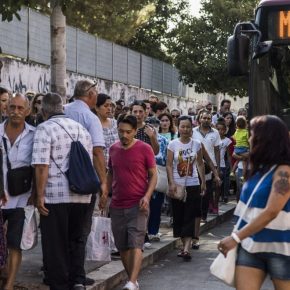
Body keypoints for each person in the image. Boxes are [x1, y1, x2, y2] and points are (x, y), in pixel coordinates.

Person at [218, 115, 290, 290]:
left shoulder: (284, 171)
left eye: (253, 134)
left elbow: (272, 211)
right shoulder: (256, 169)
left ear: (266, 139)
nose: (249, 138)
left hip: (281, 247)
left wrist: (235, 237)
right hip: (250, 245)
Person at [33, 93, 93, 290]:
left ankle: (59, 284)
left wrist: (39, 195)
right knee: (76, 240)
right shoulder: (82, 129)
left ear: (44, 111)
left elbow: (42, 166)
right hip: (82, 195)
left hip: (55, 195)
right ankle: (77, 280)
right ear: (62, 108)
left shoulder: (44, 128)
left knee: (55, 243)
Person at [64, 80, 107, 287]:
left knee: (59, 230)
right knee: (80, 231)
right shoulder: (91, 118)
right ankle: (77, 276)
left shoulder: (61, 111)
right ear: (89, 94)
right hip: (83, 182)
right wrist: (103, 183)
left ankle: (57, 271)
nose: (97, 95)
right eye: (96, 92)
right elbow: (98, 152)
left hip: (57, 181)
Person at [108, 114, 157, 290]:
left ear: (135, 131)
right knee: (122, 246)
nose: (124, 135)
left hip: (138, 204)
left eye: (128, 132)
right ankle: (133, 281)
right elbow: (110, 173)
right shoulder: (113, 149)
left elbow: (153, 175)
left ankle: (131, 282)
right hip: (117, 205)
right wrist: (104, 194)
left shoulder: (144, 149)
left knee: (136, 243)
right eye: (121, 131)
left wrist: (147, 196)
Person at [0, 93, 35, 290]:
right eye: (12, 107)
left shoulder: (34, 134)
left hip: (21, 200)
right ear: (6, 109)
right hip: (0, 196)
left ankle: (10, 285)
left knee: (15, 244)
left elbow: (38, 167)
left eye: (20, 108)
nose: (15, 112)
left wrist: (36, 194)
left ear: (28, 111)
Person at [167, 115, 206, 260]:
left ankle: (186, 248)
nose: (185, 129)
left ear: (192, 128)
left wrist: (203, 181)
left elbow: (200, 163)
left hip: (193, 184)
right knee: (179, 215)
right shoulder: (173, 144)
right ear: (178, 127)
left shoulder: (197, 144)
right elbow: (169, 164)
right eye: (182, 126)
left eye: (188, 127)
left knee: (190, 215)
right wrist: (171, 182)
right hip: (177, 185)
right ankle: (184, 244)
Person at [193, 110, 221, 219]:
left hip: (210, 167)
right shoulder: (193, 131)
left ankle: (203, 216)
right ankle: (196, 216)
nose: (206, 120)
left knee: (206, 192)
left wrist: (217, 168)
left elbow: (217, 150)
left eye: (208, 118)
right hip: (195, 166)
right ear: (199, 119)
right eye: (204, 118)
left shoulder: (215, 133)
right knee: (196, 191)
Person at [92, 93, 119, 165]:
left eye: (110, 105)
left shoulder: (115, 124)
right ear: (97, 108)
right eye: (106, 106)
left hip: (116, 165)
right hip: (99, 167)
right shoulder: (92, 125)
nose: (109, 108)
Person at [216, 120, 232, 203]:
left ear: (225, 130)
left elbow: (229, 154)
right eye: (218, 129)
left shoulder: (227, 141)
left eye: (222, 129)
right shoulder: (213, 139)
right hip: (214, 164)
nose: (220, 131)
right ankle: (217, 197)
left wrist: (230, 165)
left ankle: (224, 196)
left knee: (223, 181)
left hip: (222, 164)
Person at [232, 116, 249, 180]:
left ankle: (232, 172)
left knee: (237, 161)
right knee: (245, 163)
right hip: (244, 149)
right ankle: (243, 177)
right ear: (245, 124)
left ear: (237, 125)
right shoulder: (246, 132)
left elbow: (234, 138)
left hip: (237, 149)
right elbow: (248, 140)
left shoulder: (236, 132)